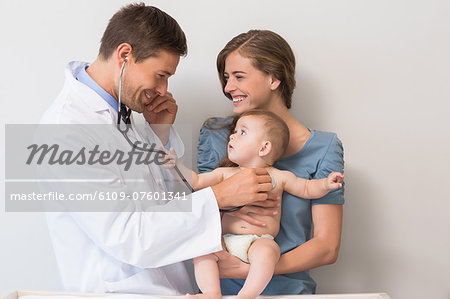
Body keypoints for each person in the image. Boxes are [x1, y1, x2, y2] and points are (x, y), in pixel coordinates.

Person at [40, 4, 277, 294]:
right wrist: (218, 196)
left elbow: (161, 199)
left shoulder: (123, 114)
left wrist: (159, 133)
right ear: (125, 55)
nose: (163, 90)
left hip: (168, 286)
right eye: (161, 75)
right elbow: (128, 236)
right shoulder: (68, 129)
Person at [197, 30, 345, 295]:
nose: (228, 87)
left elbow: (327, 247)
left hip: (289, 291)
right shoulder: (217, 136)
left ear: (274, 79)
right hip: (219, 290)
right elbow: (200, 215)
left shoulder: (324, 147)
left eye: (239, 77)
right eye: (227, 78)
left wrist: (254, 269)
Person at [162, 110, 344, 299]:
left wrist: (326, 183)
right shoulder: (225, 174)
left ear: (264, 148)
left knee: (268, 253)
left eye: (242, 132)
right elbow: (196, 181)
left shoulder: (279, 176)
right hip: (225, 240)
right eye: (234, 131)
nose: (232, 135)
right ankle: (211, 292)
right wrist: (176, 166)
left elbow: (306, 188)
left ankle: (247, 295)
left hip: (259, 241)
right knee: (202, 253)